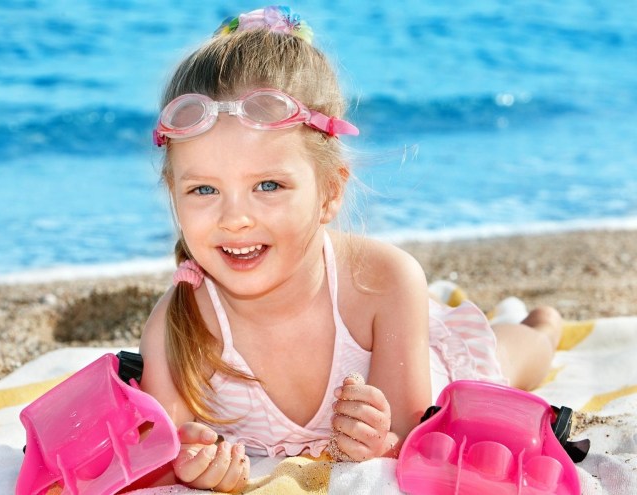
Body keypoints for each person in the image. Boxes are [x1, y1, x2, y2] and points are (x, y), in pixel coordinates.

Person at [138, 6, 563, 493]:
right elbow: (165, 453)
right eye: (204, 190)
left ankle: (542, 325)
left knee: (507, 360)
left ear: (330, 192)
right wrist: (195, 464)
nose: (235, 218)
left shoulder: (385, 280)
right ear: (174, 194)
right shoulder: (177, 324)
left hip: (428, 370)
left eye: (269, 185)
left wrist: (379, 440)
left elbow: (409, 438)